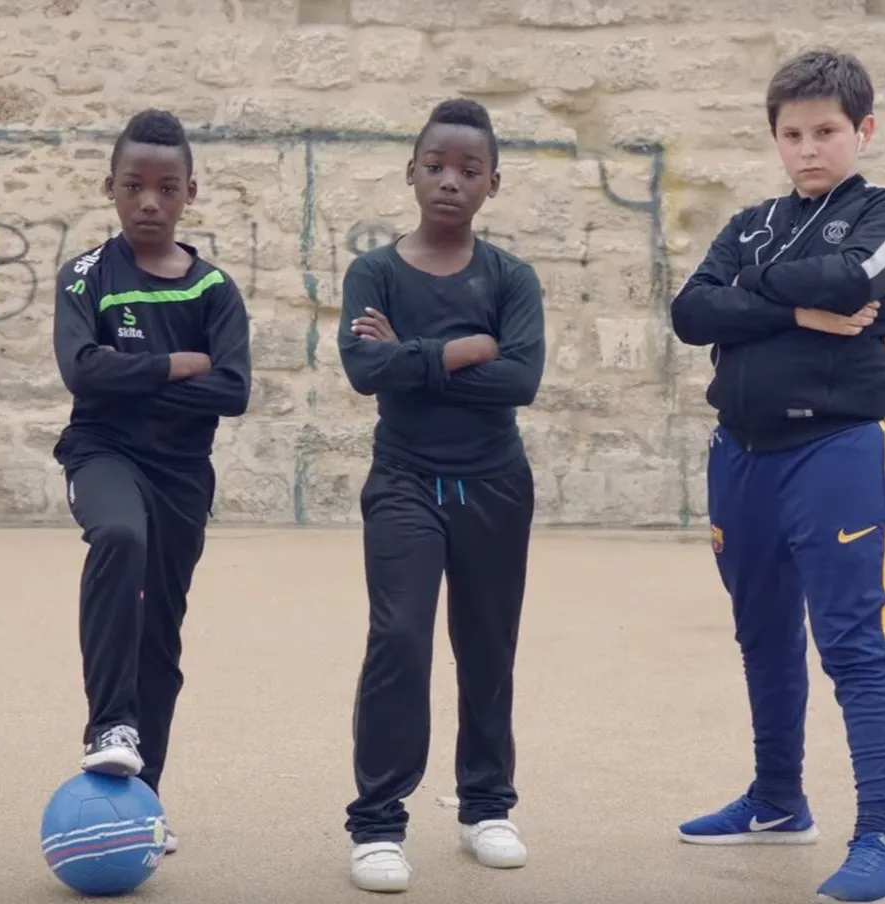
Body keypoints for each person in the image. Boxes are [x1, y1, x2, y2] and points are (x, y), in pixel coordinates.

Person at [669, 49, 885, 904]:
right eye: (792, 135)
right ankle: (778, 801)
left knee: (853, 640)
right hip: (740, 455)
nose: (809, 149)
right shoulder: (751, 223)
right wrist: (794, 309)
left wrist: (750, 297)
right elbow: (689, 311)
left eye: (826, 132)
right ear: (775, 137)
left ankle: (884, 838)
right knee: (763, 633)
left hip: (833, 452)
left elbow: (852, 280)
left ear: (862, 130)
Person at [335, 98, 546, 894]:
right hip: (404, 481)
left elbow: (520, 380)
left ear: (493, 183)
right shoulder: (375, 273)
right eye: (435, 166)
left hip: (495, 485)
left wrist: (414, 359)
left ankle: (487, 806)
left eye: (468, 170)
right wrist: (463, 351)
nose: (450, 181)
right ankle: (377, 823)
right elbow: (365, 371)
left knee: (487, 646)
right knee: (399, 637)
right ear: (411, 173)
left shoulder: (511, 278)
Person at [51, 109, 252, 855]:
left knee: (160, 635)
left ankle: (145, 801)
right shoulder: (86, 276)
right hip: (102, 453)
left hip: (181, 475)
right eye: (133, 185)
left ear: (189, 193)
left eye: (167, 188)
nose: (148, 202)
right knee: (119, 535)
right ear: (109, 186)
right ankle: (110, 724)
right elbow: (82, 372)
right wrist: (173, 365)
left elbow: (232, 389)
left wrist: (129, 376)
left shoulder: (215, 291)